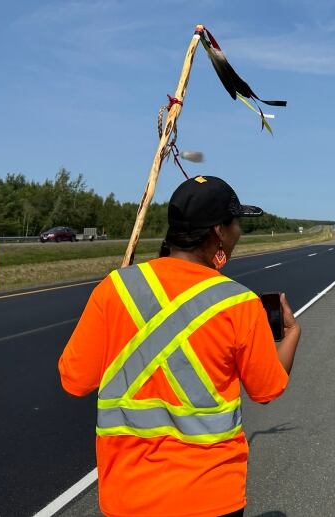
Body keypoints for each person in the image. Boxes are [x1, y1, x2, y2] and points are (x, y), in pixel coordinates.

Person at [59, 175, 301, 517]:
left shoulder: (115, 289)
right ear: (219, 231)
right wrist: (291, 334)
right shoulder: (239, 303)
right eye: (237, 224)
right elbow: (267, 388)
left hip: (127, 499)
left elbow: (74, 380)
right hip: (210, 497)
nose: (239, 234)